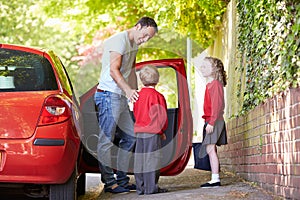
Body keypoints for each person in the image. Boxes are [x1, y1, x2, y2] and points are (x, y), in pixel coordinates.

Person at [94, 17, 158, 194]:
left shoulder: (134, 44)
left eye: (149, 39)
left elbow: (131, 68)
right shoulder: (119, 41)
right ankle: (109, 182)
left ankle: (122, 180)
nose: (145, 40)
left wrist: (135, 92)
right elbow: (114, 71)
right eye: (144, 35)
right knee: (106, 140)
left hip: (120, 96)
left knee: (131, 137)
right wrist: (128, 91)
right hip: (108, 95)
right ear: (137, 26)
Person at [133, 65, 168, 195]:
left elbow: (136, 113)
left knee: (140, 160)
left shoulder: (137, 95)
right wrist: (162, 130)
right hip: (153, 132)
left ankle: (140, 188)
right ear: (157, 79)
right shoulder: (158, 96)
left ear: (142, 80)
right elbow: (161, 116)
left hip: (139, 132)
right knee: (152, 160)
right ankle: (151, 188)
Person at [198, 56, 228, 188]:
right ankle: (214, 177)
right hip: (211, 120)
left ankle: (215, 179)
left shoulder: (215, 85)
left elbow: (217, 105)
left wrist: (211, 122)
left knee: (210, 149)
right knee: (211, 149)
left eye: (205, 66)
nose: (201, 68)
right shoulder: (211, 85)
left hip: (214, 121)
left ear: (214, 69)